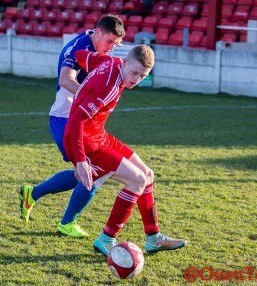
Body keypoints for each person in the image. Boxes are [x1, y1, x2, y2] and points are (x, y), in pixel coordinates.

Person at [64, 45, 188, 256]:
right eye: (135, 72)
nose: (137, 78)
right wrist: (81, 160)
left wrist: (73, 59)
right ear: (125, 62)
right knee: (137, 180)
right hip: (86, 142)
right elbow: (75, 122)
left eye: (143, 75)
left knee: (147, 175)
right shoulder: (108, 87)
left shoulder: (109, 62)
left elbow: (81, 55)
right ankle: (106, 239)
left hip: (99, 136)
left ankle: (153, 238)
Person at [18, 15, 125, 238]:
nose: (111, 48)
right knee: (92, 172)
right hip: (66, 119)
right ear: (98, 32)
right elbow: (65, 79)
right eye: (109, 42)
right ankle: (67, 222)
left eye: (116, 44)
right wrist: (88, 98)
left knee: (84, 173)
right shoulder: (78, 47)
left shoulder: (98, 50)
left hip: (80, 119)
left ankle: (33, 194)